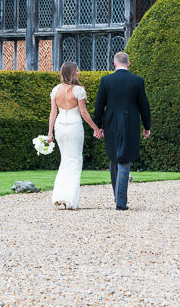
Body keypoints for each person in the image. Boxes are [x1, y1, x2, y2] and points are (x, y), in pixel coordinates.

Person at [93, 51, 151, 210]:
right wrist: (147, 127)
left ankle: (117, 196)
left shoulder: (106, 80)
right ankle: (120, 201)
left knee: (114, 157)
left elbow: (99, 106)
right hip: (130, 124)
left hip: (111, 124)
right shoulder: (137, 81)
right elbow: (144, 106)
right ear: (128, 64)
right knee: (124, 159)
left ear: (114, 64)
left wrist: (97, 127)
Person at [47, 61, 103, 210]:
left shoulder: (55, 90)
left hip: (60, 127)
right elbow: (83, 113)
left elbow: (53, 113)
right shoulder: (78, 90)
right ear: (71, 73)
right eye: (77, 71)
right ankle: (69, 199)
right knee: (75, 160)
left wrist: (50, 133)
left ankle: (59, 196)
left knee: (65, 160)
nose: (79, 73)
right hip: (74, 127)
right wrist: (96, 128)